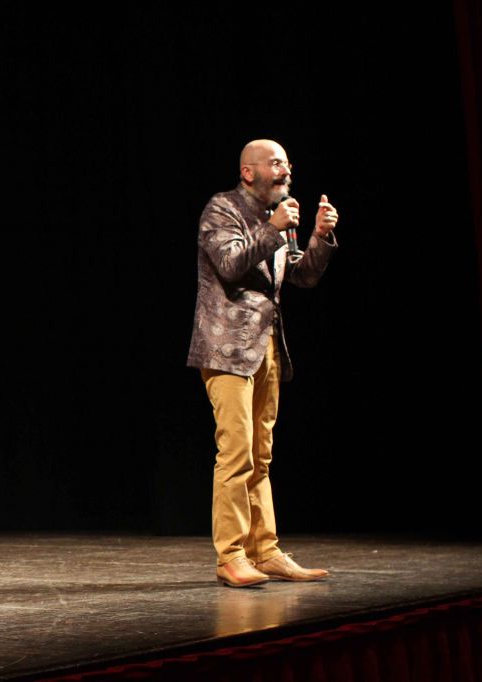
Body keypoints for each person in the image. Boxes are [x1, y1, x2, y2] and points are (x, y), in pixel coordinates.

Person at [186, 139, 339, 587]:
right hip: (226, 348)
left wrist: (319, 237)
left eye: (287, 163)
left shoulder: (279, 215)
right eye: (276, 163)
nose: (285, 170)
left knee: (260, 456)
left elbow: (301, 275)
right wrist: (273, 227)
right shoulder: (222, 209)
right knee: (235, 452)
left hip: (267, 345)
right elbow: (230, 265)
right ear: (248, 172)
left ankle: (265, 551)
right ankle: (231, 556)